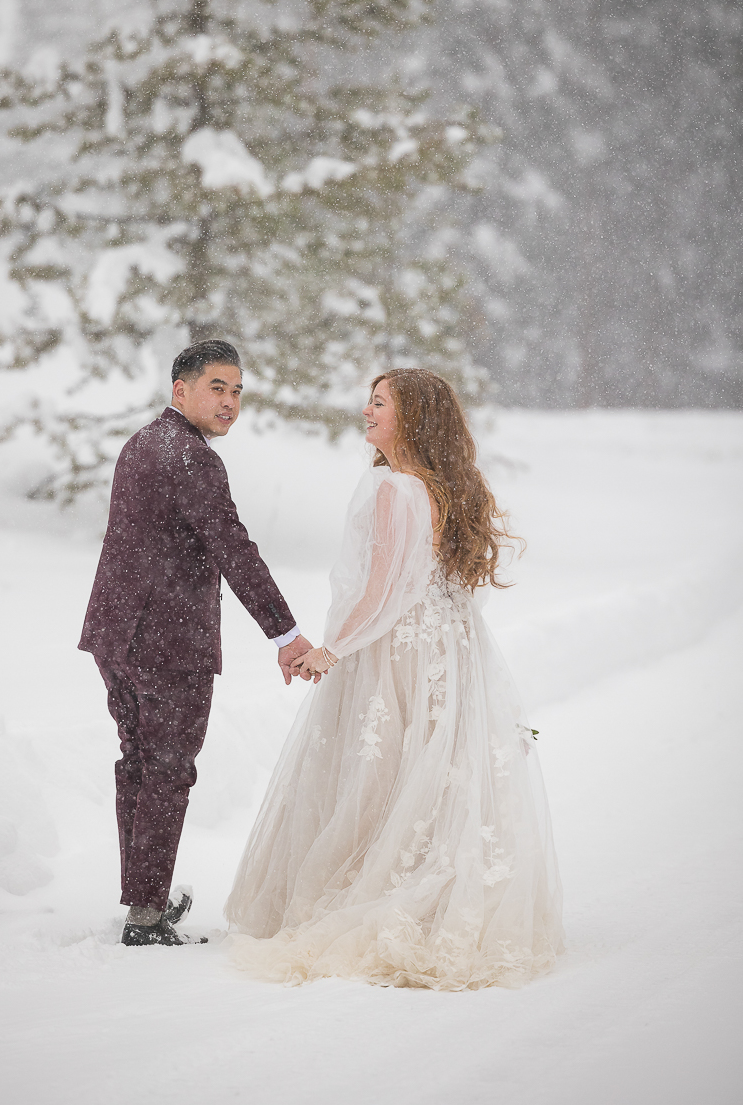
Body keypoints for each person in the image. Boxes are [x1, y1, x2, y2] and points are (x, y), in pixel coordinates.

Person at [225, 368, 564, 989]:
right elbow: (439, 584)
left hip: (397, 648)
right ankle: (432, 894)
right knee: (431, 765)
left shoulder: (391, 489)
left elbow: (384, 588)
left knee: (381, 771)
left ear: (411, 418)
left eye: (380, 404)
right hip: (450, 646)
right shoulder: (444, 486)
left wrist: (335, 647)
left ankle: (381, 894)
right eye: (370, 401)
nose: (366, 412)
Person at [79, 340, 312, 946]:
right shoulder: (192, 458)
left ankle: (142, 901)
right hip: (165, 642)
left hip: (116, 632)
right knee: (167, 771)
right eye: (217, 387)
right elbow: (232, 545)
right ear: (180, 390)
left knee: (139, 764)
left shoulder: (143, 442)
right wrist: (284, 631)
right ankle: (147, 916)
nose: (230, 402)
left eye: (237, 390)